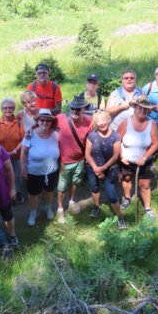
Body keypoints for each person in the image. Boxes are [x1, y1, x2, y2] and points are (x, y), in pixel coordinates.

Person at [117, 96, 158, 218]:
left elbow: (155, 143)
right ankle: (127, 198)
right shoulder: (126, 122)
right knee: (126, 179)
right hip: (126, 160)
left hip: (144, 161)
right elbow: (117, 140)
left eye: (145, 109)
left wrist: (144, 158)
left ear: (148, 111)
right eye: (140, 108)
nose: (142, 111)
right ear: (135, 108)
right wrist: (121, 157)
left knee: (145, 185)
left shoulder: (152, 124)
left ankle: (147, 208)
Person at [84, 110, 126, 229]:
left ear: (108, 120)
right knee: (94, 187)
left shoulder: (115, 136)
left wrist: (102, 169)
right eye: (98, 121)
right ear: (95, 123)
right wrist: (95, 168)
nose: (101, 123)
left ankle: (120, 217)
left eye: (103, 120)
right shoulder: (92, 135)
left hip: (110, 169)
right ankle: (97, 207)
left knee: (111, 194)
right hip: (93, 168)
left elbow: (115, 156)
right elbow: (87, 154)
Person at [55, 95, 92, 223]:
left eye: (78, 109)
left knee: (75, 182)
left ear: (83, 109)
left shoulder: (89, 121)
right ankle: (60, 209)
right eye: (73, 109)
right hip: (64, 161)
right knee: (61, 186)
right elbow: (44, 123)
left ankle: (71, 201)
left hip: (80, 160)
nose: (75, 112)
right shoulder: (60, 119)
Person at [21, 109, 60, 226]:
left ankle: (48, 208)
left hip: (52, 171)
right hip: (34, 172)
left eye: (48, 120)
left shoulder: (56, 134)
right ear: (37, 121)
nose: (45, 122)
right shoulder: (30, 135)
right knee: (33, 194)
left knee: (49, 191)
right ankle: (33, 213)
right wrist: (23, 168)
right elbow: (23, 153)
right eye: (42, 120)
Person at [0, 97, 25, 204]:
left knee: (17, 175)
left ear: (14, 109)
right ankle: (6, 195)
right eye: (5, 108)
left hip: (16, 155)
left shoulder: (19, 122)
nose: (8, 110)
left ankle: (18, 193)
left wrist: (14, 151)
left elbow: (23, 139)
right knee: (4, 176)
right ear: (1, 109)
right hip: (2, 156)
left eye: (11, 107)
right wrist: (5, 153)